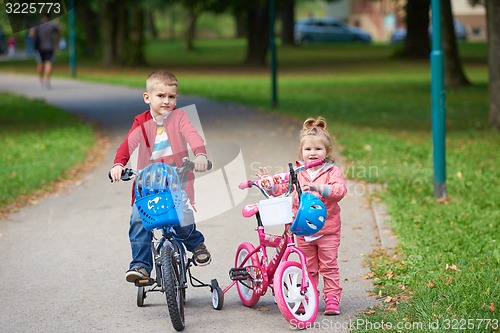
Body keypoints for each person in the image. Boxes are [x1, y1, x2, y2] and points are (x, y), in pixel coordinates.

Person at [109, 70, 212, 283]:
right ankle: (141, 266)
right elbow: (127, 145)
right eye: (161, 96)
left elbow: (193, 136)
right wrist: (118, 165)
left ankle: (195, 243)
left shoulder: (180, 117)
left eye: (172, 97)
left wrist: (200, 155)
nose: (167, 101)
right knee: (139, 220)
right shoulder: (141, 122)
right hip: (148, 184)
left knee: (180, 218)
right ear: (147, 98)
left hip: (176, 178)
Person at [260, 116, 347, 315]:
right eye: (308, 149)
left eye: (318, 149)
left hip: (327, 230)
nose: (313, 153)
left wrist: (319, 187)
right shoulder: (297, 172)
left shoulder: (332, 171)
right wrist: (270, 183)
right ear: (301, 151)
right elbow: (282, 189)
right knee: (307, 267)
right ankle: (309, 297)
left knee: (328, 265)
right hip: (302, 229)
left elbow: (339, 191)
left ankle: (332, 298)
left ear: (327, 151)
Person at [29, 14, 59, 89]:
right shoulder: (52, 25)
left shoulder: (38, 25)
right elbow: (58, 32)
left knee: (40, 63)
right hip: (50, 47)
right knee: (48, 63)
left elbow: (31, 35)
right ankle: (47, 82)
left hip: (40, 47)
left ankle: (40, 81)